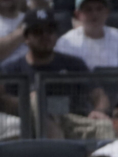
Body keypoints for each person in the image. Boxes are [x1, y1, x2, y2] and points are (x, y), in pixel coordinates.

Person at [0, 9, 107, 139]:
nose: (45, 36)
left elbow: (98, 94)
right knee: (36, 99)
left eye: (50, 31)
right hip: (31, 128)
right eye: (38, 32)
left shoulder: (74, 64)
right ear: (26, 38)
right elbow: (3, 100)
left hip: (75, 122)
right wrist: (27, 101)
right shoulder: (12, 69)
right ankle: (57, 150)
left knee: (107, 128)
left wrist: (99, 111)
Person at [55, 0, 118, 69]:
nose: (94, 14)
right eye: (88, 9)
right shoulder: (66, 42)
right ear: (78, 14)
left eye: (99, 9)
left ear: (107, 12)